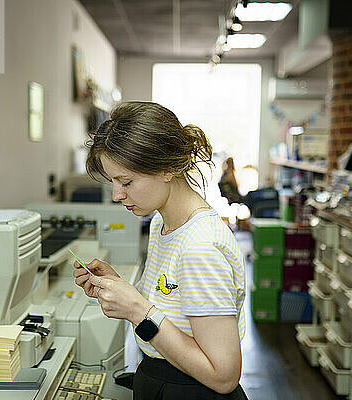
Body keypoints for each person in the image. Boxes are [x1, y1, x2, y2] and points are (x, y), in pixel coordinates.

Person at [73, 101, 248, 400]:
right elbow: (172, 310)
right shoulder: (162, 222)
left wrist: (137, 310)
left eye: (126, 181)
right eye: (114, 182)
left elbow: (224, 376)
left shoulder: (199, 248)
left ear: (167, 168)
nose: (117, 195)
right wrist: (123, 290)